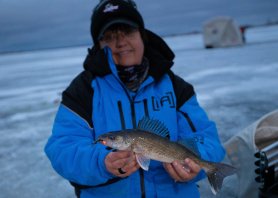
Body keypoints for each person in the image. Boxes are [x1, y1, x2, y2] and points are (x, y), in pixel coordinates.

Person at [44, 0, 226, 197]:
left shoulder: (175, 87)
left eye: (128, 31)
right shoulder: (83, 91)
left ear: (142, 35)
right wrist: (100, 162)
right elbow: (62, 149)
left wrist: (198, 163)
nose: (121, 42)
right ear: (99, 44)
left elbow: (206, 137)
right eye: (110, 36)